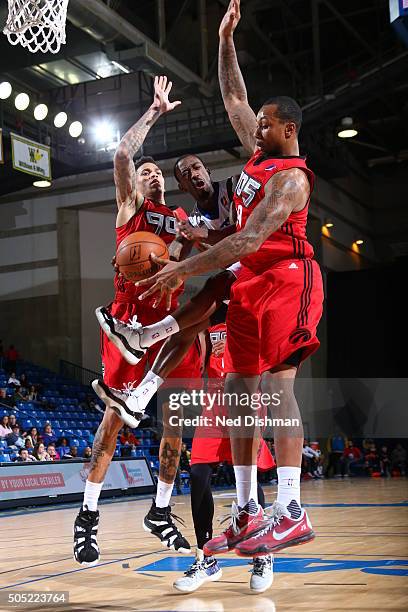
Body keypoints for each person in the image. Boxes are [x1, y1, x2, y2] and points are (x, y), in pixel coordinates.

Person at [128, 0, 324, 557]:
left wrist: (179, 269)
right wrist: (224, 37)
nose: (253, 127)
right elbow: (234, 95)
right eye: (255, 123)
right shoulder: (258, 155)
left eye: (264, 124)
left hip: (288, 277)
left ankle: (291, 508)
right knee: (240, 393)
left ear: (288, 128)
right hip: (249, 285)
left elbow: (243, 243)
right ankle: (248, 510)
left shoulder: (291, 181)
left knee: (279, 389)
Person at [73, 75, 202, 567]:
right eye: (145, 171)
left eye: (155, 172)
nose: (151, 175)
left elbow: (203, 249)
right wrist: (154, 111)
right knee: (111, 425)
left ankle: (161, 510)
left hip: (167, 328)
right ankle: (87, 516)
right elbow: (122, 157)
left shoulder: (178, 219)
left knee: (176, 426)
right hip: (127, 328)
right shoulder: (131, 208)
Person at [173, 312, 274, 594]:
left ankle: (261, 552)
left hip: (247, 394)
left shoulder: (255, 314)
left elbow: (270, 359)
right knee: (197, 473)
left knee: (249, 476)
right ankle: (206, 558)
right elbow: (198, 363)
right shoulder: (209, 320)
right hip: (214, 400)